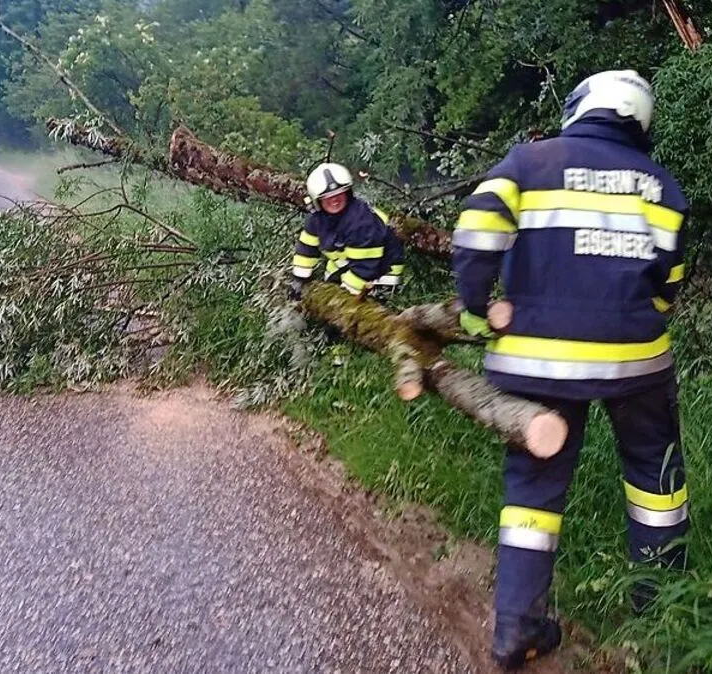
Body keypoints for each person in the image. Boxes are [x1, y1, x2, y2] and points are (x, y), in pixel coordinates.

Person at [451, 70, 690, 670]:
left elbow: (476, 234)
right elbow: (671, 285)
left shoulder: (529, 162)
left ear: (581, 107)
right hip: (636, 363)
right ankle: (661, 619)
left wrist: (478, 310)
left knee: (533, 490)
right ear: (638, 120)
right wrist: (635, 317)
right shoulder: (661, 185)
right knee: (654, 479)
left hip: (535, 363)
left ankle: (516, 628)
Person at [289, 162, 405, 302]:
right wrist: (299, 280)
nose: (335, 200)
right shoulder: (317, 219)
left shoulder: (361, 222)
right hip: (348, 264)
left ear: (348, 193)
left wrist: (341, 299)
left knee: (351, 315)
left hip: (380, 275)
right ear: (317, 200)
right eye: (328, 197)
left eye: (339, 194)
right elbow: (306, 249)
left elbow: (367, 267)